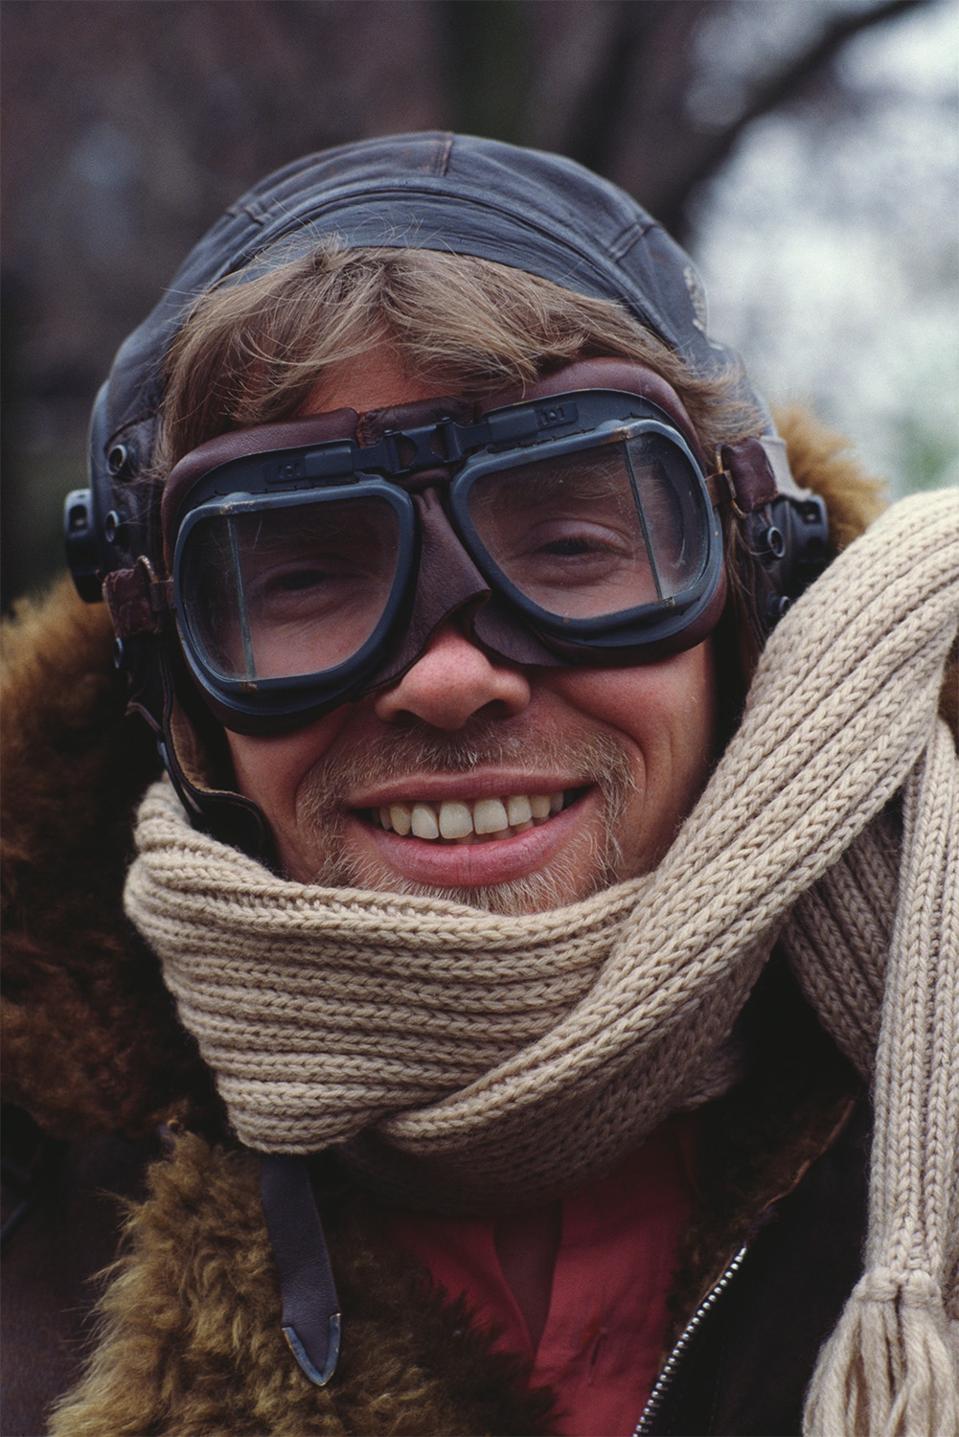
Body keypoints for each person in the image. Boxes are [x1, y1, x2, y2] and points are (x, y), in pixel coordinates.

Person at [2, 133, 956, 1437]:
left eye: (568, 544)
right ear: (177, 700)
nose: (450, 674)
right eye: (308, 575)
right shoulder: (30, 1213)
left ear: (747, 603)